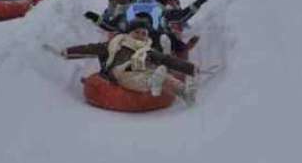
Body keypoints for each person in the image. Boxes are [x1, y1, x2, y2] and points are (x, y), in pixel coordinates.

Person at [60, 17, 198, 105]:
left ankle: (184, 92)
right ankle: (152, 82)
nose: (140, 35)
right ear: (129, 33)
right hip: (122, 71)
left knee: (163, 74)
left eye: (143, 33)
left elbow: (167, 60)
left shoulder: (147, 49)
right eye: (137, 32)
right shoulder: (117, 43)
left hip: (145, 70)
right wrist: (69, 51)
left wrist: (189, 68)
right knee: (135, 76)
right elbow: (90, 48)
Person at [84, 0, 206, 55]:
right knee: (166, 36)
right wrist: (197, 4)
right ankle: (179, 50)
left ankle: (177, 52)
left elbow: (110, 26)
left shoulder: (131, 11)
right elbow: (181, 16)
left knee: (167, 37)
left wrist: (95, 18)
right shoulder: (155, 10)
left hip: (145, 41)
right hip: (140, 40)